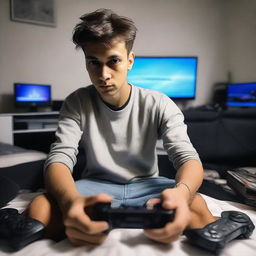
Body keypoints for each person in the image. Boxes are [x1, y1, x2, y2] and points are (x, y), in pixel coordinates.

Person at [26, 8, 217, 246]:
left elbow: (187, 157)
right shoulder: (76, 102)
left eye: (113, 61)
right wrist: (69, 202)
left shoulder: (159, 102)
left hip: (147, 185)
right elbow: (59, 158)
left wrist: (182, 193)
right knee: (39, 207)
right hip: (95, 186)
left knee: (197, 206)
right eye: (93, 62)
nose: (103, 74)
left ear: (129, 60)